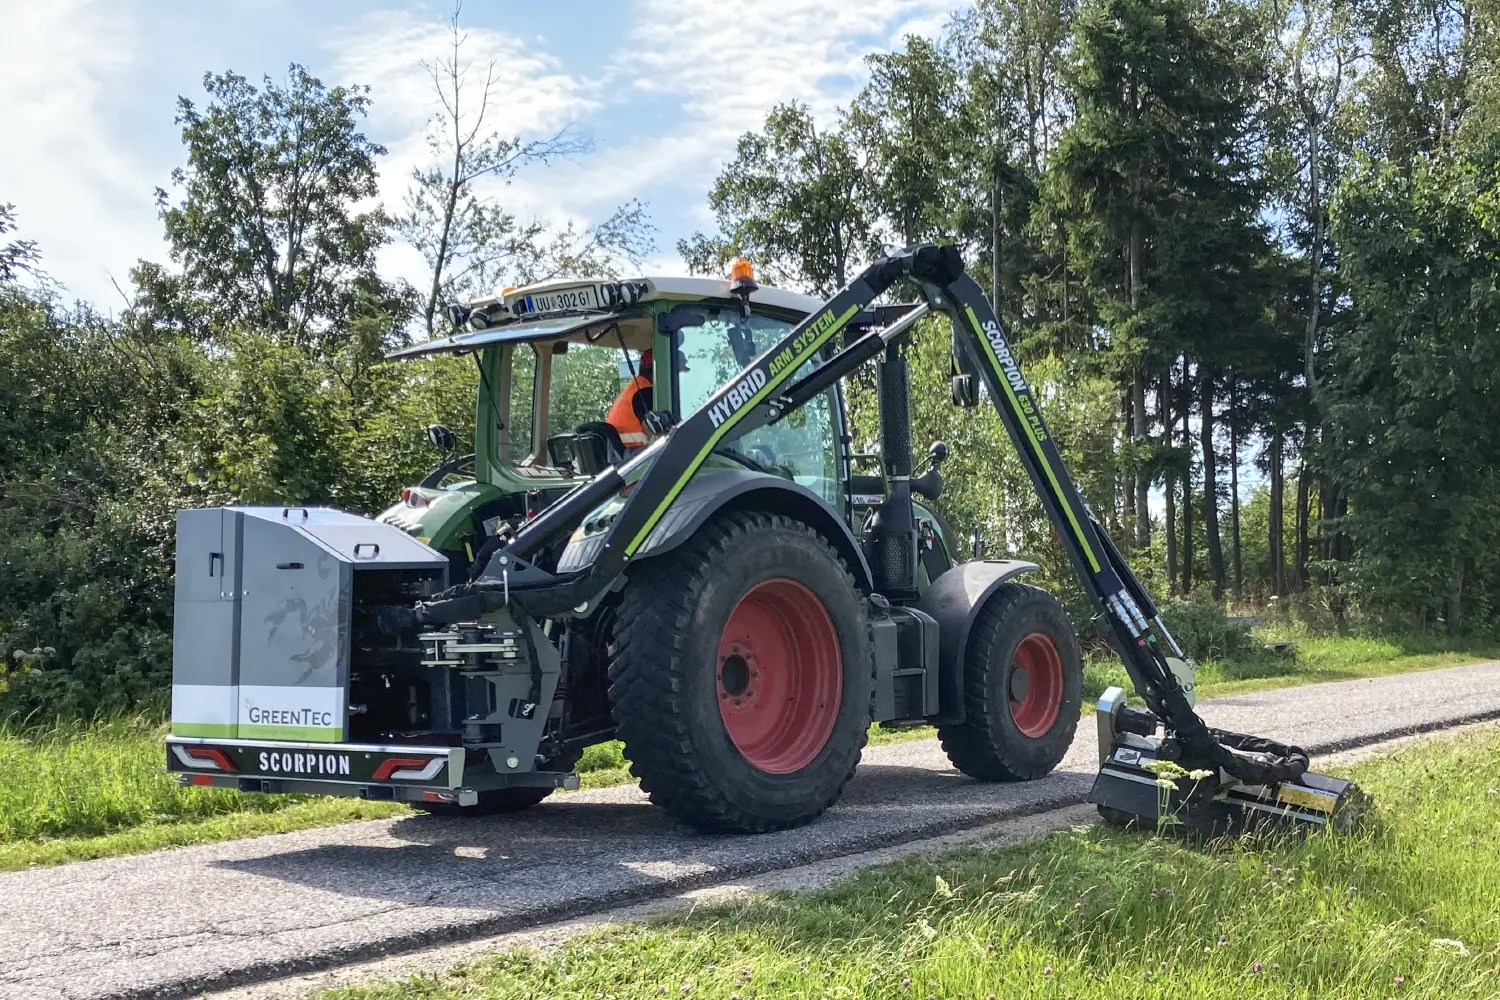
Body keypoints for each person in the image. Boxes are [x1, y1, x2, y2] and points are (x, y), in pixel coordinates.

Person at [605, 349, 654, 448]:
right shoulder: (645, 392)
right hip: (635, 453)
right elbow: (654, 432)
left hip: (621, 455)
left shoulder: (633, 389)